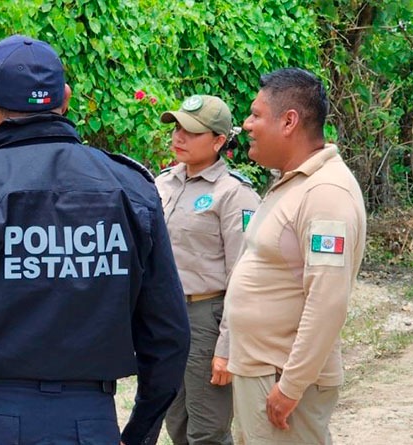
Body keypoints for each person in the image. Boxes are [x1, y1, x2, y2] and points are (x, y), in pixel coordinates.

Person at [0, 34, 190, 445]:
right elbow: (168, 334)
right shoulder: (131, 189)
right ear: (65, 99)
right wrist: (139, 433)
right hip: (89, 423)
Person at [221, 68, 367, 444]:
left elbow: (328, 300)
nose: (247, 124)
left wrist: (291, 385)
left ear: (289, 121)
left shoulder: (326, 193)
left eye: (255, 114)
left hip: (281, 379)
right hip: (262, 371)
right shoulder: (292, 183)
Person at [155, 95, 261, 445]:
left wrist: (226, 347)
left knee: (207, 430)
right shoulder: (163, 183)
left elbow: (243, 277)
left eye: (191, 131)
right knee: (175, 422)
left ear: (218, 141)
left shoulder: (234, 194)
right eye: (177, 128)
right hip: (167, 316)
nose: (178, 137)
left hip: (207, 316)